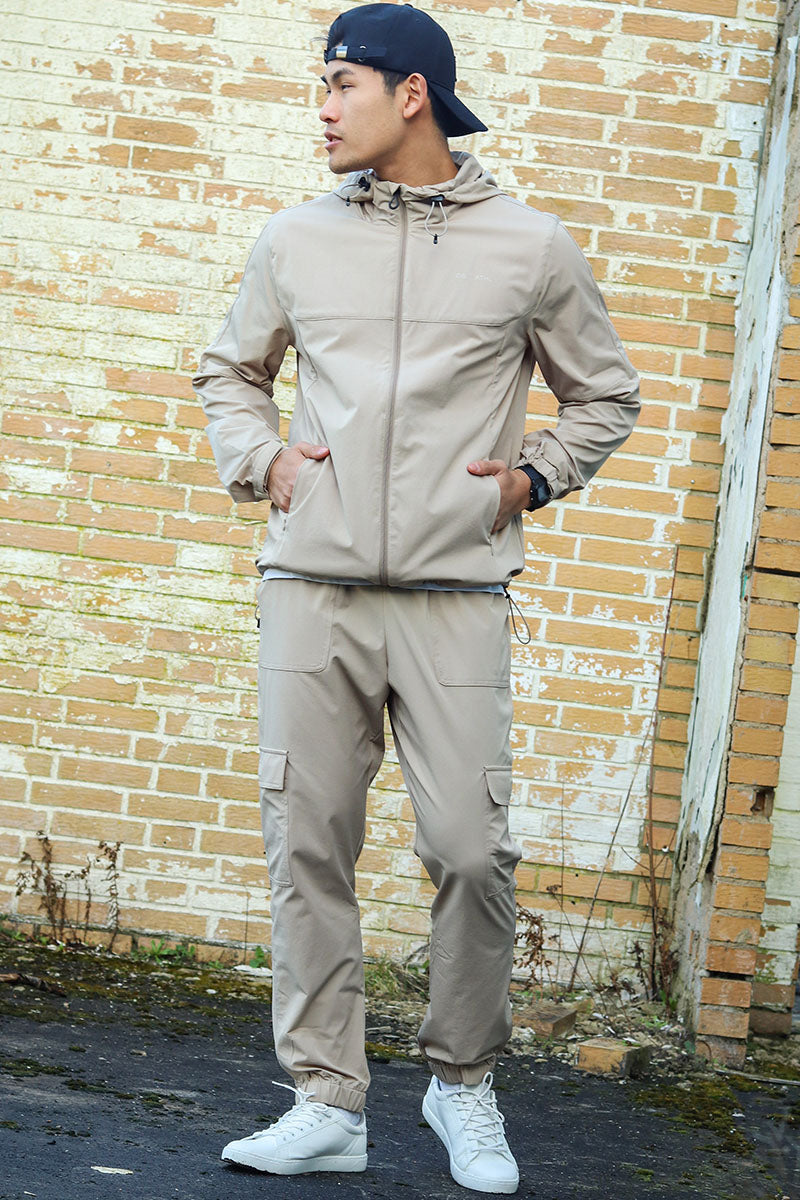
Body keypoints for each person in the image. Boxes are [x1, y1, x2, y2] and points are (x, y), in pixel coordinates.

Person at [193, 3, 640, 1193]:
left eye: (339, 83)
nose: (321, 108)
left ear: (411, 95)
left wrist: (533, 476)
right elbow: (231, 371)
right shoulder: (295, 238)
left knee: (468, 849)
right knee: (307, 844)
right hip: (311, 589)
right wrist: (266, 462)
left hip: (454, 596)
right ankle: (325, 1102)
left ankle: (462, 1086)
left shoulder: (528, 247)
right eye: (320, 84)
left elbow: (603, 393)